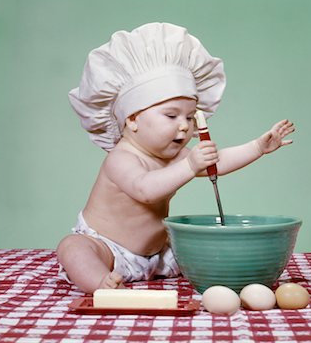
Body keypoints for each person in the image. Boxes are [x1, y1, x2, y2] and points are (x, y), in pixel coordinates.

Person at [57, 23, 295, 294]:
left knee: (199, 247)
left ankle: (235, 276)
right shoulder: (121, 158)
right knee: (73, 247)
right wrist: (190, 164)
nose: (184, 126)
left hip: (159, 256)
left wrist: (257, 147)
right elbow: (145, 189)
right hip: (110, 250)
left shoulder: (175, 156)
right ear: (132, 119)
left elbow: (217, 162)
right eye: (171, 116)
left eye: (190, 116)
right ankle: (102, 283)